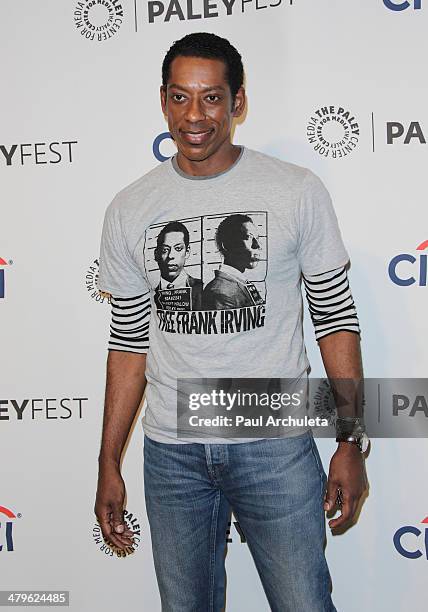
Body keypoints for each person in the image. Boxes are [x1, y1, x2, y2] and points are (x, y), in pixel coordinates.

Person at [95, 32, 368, 612]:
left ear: (238, 103)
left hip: (274, 443)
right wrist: (107, 462)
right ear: (163, 100)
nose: (195, 116)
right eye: (180, 97)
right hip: (171, 453)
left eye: (212, 98)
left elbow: (336, 319)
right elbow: (127, 344)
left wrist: (350, 438)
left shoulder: (295, 190)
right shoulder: (129, 208)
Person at [202, 213, 265, 309]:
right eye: (249, 238)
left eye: (257, 238)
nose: (258, 245)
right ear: (227, 245)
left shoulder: (238, 282)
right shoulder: (221, 292)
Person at [153, 220, 202, 310]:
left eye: (178, 248)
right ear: (156, 254)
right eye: (165, 250)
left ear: (187, 252)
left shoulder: (202, 290)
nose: (171, 256)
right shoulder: (151, 294)